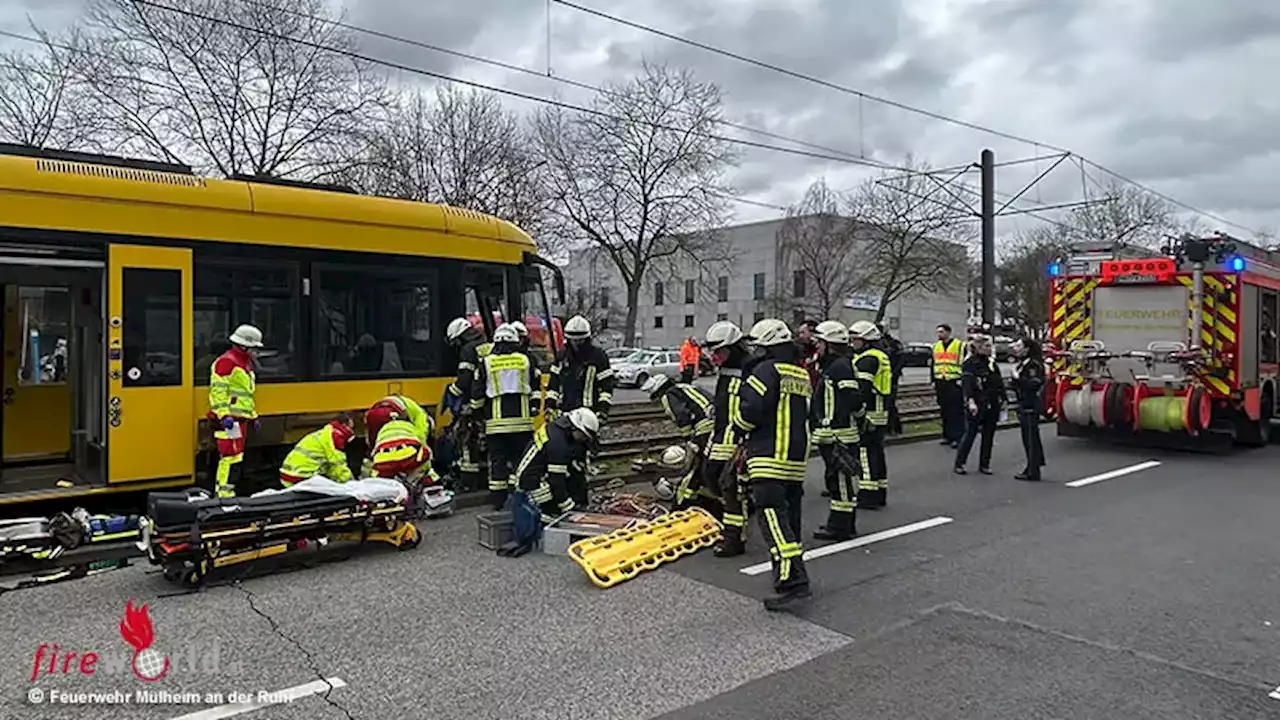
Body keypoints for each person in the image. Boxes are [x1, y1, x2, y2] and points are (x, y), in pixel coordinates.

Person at [734, 318, 813, 611]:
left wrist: (738, 427)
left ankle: (793, 582)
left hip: (768, 457)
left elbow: (750, 409)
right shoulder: (800, 372)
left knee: (774, 523)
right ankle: (790, 576)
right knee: (789, 522)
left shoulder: (766, 370)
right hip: (795, 460)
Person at [703, 320, 757, 557]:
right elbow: (725, 395)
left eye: (720, 351)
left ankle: (735, 538)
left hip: (737, 437)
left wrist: (743, 438)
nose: (716, 356)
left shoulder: (750, 367)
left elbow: (752, 405)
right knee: (711, 477)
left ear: (733, 348)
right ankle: (735, 517)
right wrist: (715, 407)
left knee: (731, 487)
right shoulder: (726, 369)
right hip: (720, 434)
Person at [471, 324, 538, 510]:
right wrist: (533, 408)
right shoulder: (526, 360)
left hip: (495, 425)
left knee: (497, 461)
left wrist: (478, 413)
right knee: (520, 460)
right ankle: (520, 496)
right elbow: (535, 386)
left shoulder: (486, 362)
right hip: (522, 424)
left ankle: (498, 500)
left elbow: (477, 393)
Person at [810, 320, 863, 541]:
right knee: (837, 481)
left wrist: (858, 418)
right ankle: (842, 524)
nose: (817, 348)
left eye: (819, 343)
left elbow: (853, 399)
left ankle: (840, 527)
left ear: (829, 344)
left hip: (838, 436)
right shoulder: (833, 366)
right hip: (832, 435)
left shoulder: (840, 367)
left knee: (840, 483)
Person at [641, 374, 717, 511]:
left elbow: (681, 416)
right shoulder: (686, 387)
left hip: (704, 430)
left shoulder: (668, 396)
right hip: (718, 426)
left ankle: (681, 505)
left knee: (696, 468)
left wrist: (688, 438)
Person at [513, 407, 599, 522]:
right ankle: (543, 531)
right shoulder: (558, 444)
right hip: (530, 483)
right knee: (552, 513)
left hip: (536, 475)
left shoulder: (558, 429)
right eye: (584, 436)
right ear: (575, 428)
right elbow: (556, 481)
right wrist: (570, 510)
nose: (583, 440)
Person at [209, 324, 263, 498]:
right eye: (254, 348)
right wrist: (223, 415)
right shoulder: (227, 362)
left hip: (239, 420)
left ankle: (227, 491)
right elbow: (218, 391)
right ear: (244, 345)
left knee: (236, 456)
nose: (256, 352)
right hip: (229, 421)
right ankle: (223, 494)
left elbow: (245, 395)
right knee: (229, 456)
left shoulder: (243, 364)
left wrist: (253, 417)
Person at [443, 316, 492, 491]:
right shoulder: (486, 344)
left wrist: (452, 392)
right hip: (490, 400)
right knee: (484, 441)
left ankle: (469, 483)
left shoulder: (467, 350)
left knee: (467, 441)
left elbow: (465, 379)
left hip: (474, 401)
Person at [849, 321, 893, 509]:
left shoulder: (867, 359)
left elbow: (863, 389)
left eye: (856, 339)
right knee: (877, 452)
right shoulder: (880, 356)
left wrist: (855, 408)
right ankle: (880, 491)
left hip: (869, 412)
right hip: (880, 410)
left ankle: (868, 494)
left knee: (865, 453)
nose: (852, 343)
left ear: (866, 340)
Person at [545, 315, 614, 423]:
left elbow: (606, 387)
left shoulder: (598, 357)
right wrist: (549, 406)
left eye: (580, 340)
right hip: (565, 412)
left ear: (586, 339)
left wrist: (603, 410)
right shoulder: (562, 357)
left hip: (589, 413)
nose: (576, 344)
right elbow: (553, 386)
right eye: (573, 340)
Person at [954, 334, 1005, 475]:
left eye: (990, 346)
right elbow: (967, 383)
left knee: (988, 435)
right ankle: (960, 463)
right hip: (977, 402)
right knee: (970, 432)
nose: (990, 349)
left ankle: (984, 464)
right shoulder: (970, 363)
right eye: (987, 346)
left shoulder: (991, 363)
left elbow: (998, 382)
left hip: (992, 402)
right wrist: (970, 401)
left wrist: (1003, 399)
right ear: (979, 347)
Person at [279, 417, 356, 487]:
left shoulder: (325, 433)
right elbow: (338, 465)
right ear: (344, 426)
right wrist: (352, 485)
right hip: (301, 477)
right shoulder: (336, 438)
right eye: (351, 427)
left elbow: (330, 467)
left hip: (289, 475)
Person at [1012, 337, 1046, 481]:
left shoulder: (1033, 365)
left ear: (1027, 349)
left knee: (1031, 438)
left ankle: (1033, 470)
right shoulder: (1024, 363)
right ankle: (1032, 466)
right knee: (1028, 438)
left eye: (1019, 345)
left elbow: (1034, 384)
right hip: (1024, 403)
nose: (1015, 348)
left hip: (1031, 404)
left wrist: (1016, 377)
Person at [931, 324, 965, 448]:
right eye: (938, 332)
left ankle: (957, 437)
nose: (939, 334)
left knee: (955, 411)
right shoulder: (936, 346)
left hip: (955, 381)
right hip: (941, 382)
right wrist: (933, 380)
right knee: (944, 410)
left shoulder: (960, 346)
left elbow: (964, 363)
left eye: (941, 332)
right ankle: (947, 436)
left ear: (948, 332)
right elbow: (934, 364)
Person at [879, 324, 904, 436]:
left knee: (890, 403)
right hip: (881, 377)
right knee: (884, 403)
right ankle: (888, 427)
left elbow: (901, 360)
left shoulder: (894, 344)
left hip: (891, 377)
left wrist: (894, 374)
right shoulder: (877, 343)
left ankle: (894, 427)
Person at [796, 319, 821, 388]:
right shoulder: (800, 351)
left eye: (803, 332)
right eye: (799, 333)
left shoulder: (820, 352)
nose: (800, 336)